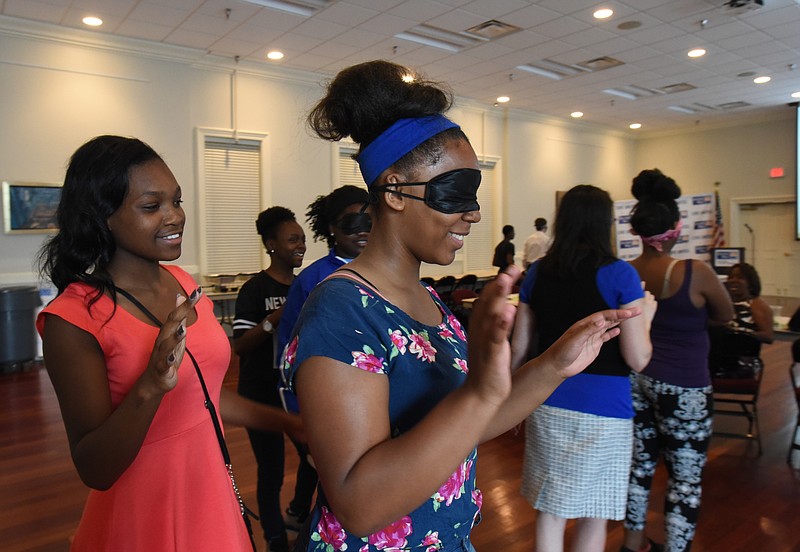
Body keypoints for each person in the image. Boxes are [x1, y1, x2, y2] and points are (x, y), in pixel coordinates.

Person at [282, 59, 641, 552]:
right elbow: (359, 505)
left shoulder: (429, 302)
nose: (472, 213)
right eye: (456, 193)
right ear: (393, 191)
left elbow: (471, 422)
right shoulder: (343, 310)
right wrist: (477, 393)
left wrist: (555, 364)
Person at [35, 135, 303, 552]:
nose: (174, 216)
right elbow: (95, 469)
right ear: (102, 215)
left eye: (176, 201)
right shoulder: (74, 319)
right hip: (146, 509)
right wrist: (151, 384)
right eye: (151, 206)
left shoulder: (183, 284)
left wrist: (291, 423)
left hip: (209, 489)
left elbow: (205, 398)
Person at [510, 185, 655, 552]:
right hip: (606, 409)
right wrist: (648, 316)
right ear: (605, 223)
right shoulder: (620, 274)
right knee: (595, 511)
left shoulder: (538, 273)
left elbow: (520, 348)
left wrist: (510, 402)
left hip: (545, 399)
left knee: (550, 509)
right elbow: (639, 358)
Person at [622, 169, 734, 552]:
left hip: (637, 379)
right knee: (684, 481)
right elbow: (726, 315)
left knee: (639, 468)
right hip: (686, 386)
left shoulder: (626, 272)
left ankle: (632, 544)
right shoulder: (695, 272)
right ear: (676, 229)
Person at [274, 184, 371, 530]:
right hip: (327, 400)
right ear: (331, 227)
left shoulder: (388, 272)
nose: (362, 230)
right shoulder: (314, 280)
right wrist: (303, 416)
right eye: (352, 222)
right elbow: (290, 350)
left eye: (369, 220)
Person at [232, 207, 307, 552]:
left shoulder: (308, 285)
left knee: (313, 457)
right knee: (272, 469)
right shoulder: (254, 289)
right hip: (260, 393)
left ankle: (298, 514)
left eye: (302, 239)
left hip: (296, 392)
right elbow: (241, 347)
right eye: (293, 239)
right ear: (271, 244)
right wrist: (277, 316)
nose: (300, 245)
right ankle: (275, 538)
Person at [724, 262, 774, 344]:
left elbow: (768, 336)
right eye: (731, 277)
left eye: (740, 277)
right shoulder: (724, 302)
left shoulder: (756, 304)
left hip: (743, 353)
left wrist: (740, 334)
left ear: (750, 283)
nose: (734, 280)